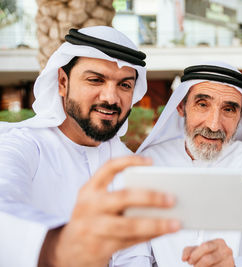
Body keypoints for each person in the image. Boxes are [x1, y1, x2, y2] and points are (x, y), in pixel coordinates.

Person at [0, 26, 180, 267]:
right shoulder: (23, 145)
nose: (111, 98)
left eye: (124, 85)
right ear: (62, 82)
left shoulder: (128, 163)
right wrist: (58, 248)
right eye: (96, 80)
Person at [135, 61, 242, 267]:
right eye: (202, 105)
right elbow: (134, 254)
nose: (213, 125)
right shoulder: (150, 164)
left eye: (228, 109)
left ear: (241, 116)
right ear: (181, 107)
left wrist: (234, 265)